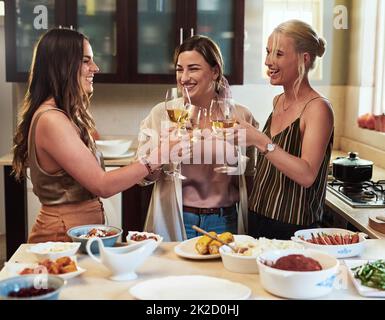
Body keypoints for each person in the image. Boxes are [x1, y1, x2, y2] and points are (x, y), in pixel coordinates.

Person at [12, 28, 178, 243]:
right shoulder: (51, 120)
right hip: (61, 235)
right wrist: (159, 155)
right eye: (85, 60)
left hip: (78, 232)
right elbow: (102, 185)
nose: (95, 68)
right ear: (62, 65)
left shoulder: (64, 114)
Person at [137, 35, 258, 241]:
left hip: (225, 220)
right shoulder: (162, 113)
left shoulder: (240, 116)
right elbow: (143, 177)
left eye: (193, 68)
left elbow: (250, 176)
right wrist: (162, 152)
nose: (183, 77)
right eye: (179, 69)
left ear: (215, 71)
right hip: (176, 219)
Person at [238, 20, 334, 240]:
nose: (268, 61)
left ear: (304, 58)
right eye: (268, 52)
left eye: (279, 54)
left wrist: (260, 141)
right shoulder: (278, 100)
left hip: (293, 228)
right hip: (258, 216)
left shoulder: (318, 108)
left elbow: (307, 174)